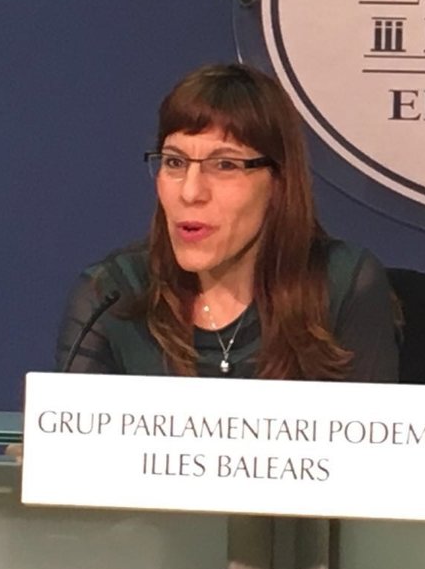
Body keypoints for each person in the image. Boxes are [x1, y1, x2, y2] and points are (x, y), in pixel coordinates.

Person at [56, 63, 399, 381]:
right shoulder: (111, 295)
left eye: (224, 165)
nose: (191, 192)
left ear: (278, 181)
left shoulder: (342, 286)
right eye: (175, 162)